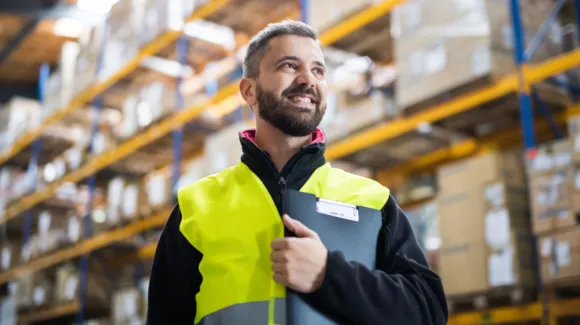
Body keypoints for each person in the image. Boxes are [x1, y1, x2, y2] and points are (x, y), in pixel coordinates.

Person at [146, 20, 448, 325]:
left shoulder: (372, 201)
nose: (308, 80)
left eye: (318, 70)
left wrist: (328, 275)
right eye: (289, 66)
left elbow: (429, 312)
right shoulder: (197, 207)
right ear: (249, 91)